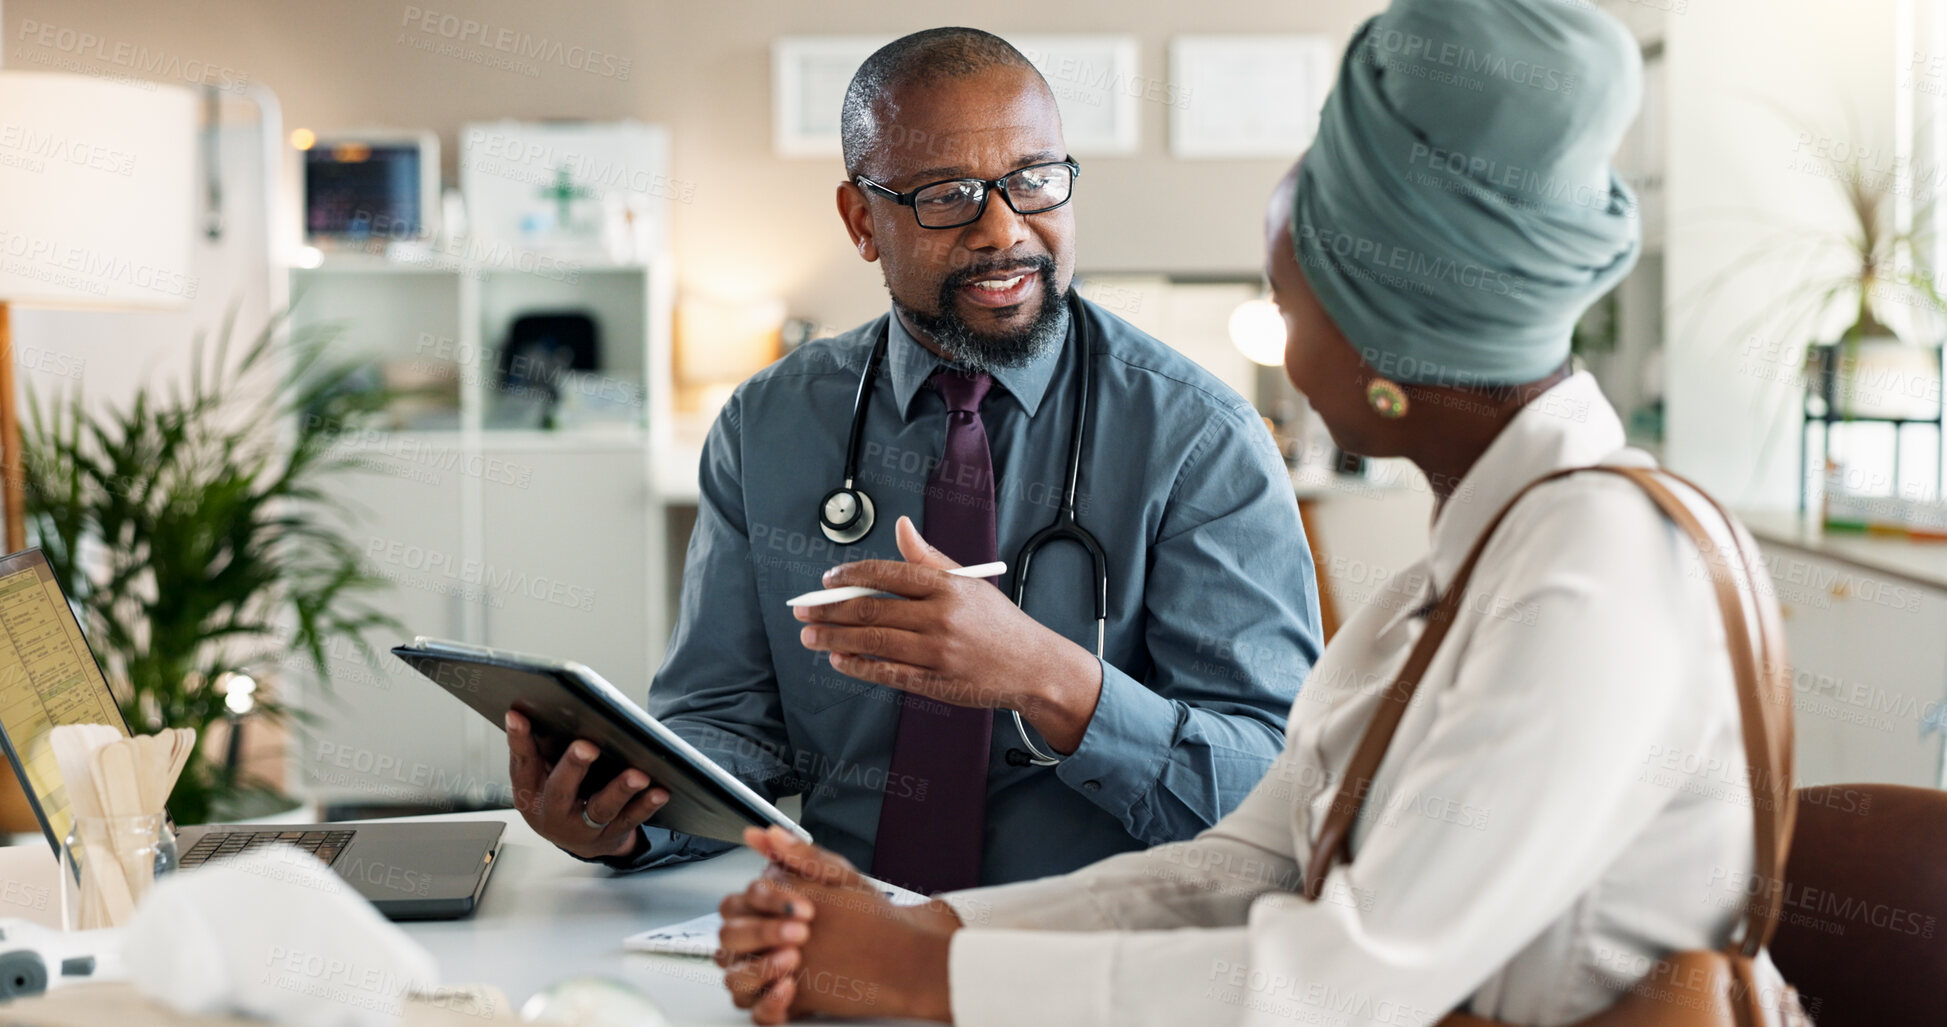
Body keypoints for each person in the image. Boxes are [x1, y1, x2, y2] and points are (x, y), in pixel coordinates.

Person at [711, 1, 1790, 1023]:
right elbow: (1240, 871)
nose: (1276, 352)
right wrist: (912, 929)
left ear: (1389, 342)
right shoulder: (1459, 577)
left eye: (1283, 301)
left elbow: (1340, 983)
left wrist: (926, 972)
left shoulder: (1600, 572)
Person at [503, 27, 1322, 894]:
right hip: (847, 939)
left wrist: (1046, 676)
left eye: (1034, 180)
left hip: (1090, 952)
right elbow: (724, 725)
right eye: (946, 195)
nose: (1003, 229)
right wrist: (621, 820)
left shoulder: (1199, 437)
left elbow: (1277, 791)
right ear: (862, 221)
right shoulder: (768, 423)